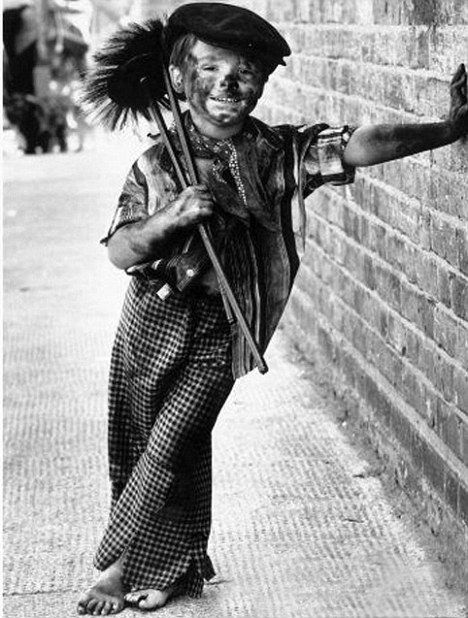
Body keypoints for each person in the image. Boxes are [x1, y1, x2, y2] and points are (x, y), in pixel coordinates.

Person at [77, 3, 468, 615]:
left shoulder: (277, 155)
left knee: (172, 442)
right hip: (150, 319)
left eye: (245, 71)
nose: (229, 85)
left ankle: (116, 565)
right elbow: (121, 251)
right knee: (137, 438)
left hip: (221, 329)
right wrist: (172, 216)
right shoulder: (157, 164)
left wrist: (446, 129)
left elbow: (359, 145)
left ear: (262, 83)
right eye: (209, 68)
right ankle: (177, 566)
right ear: (178, 80)